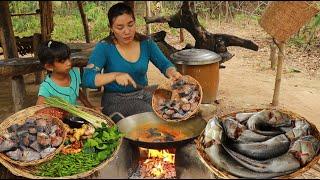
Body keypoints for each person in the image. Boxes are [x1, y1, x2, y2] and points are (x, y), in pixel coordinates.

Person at [82, 2, 182, 121]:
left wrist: (172, 72)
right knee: (151, 114)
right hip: (115, 100)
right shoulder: (105, 47)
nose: (127, 31)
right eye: (120, 27)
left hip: (142, 93)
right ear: (111, 28)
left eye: (130, 24)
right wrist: (115, 75)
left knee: (172, 104)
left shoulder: (146, 43)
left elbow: (164, 64)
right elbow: (87, 78)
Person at [36, 40, 100, 111]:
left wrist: (89, 106)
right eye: (63, 61)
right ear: (49, 67)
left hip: (73, 117)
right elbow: (38, 109)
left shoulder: (74, 73)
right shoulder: (46, 87)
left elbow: (77, 90)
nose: (69, 63)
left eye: (68, 58)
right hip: (57, 120)